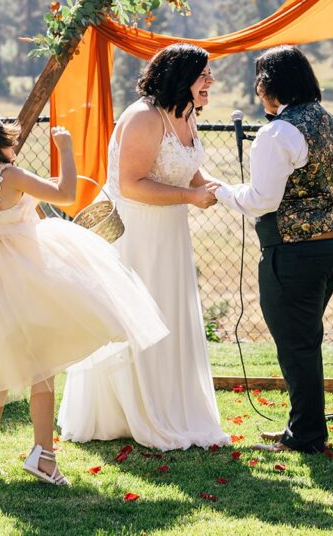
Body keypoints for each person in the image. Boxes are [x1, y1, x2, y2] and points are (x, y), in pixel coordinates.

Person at [0, 106, 168, 485]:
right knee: (41, 368)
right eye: (10, 137)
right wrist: (65, 147)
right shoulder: (11, 175)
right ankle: (43, 455)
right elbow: (66, 193)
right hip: (23, 276)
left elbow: (16, 213)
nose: (16, 141)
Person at [58, 43, 230, 450]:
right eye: (203, 74)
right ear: (179, 77)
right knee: (138, 317)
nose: (210, 81)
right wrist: (190, 198)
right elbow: (132, 184)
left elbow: (186, 170)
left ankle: (172, 405)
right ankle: (125, 412)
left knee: (169, 313)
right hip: (137, 235)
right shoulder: (143, 117)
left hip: (170, 235)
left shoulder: (184, 116)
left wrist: (215, 188)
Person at [214, 45, 333, 454]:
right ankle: (302, 427)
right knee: (303, 339)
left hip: (294, 251)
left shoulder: (277, 133)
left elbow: (261, 199)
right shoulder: (328, 120)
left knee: (296, 343)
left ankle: (306, 436)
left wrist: (219, 192)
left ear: (268, 86)